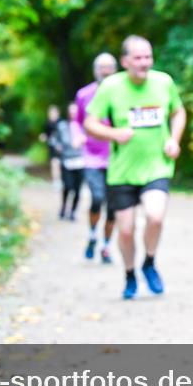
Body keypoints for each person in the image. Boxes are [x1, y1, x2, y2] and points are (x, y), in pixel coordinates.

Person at [83, 35, 186, 300]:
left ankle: (149, 262)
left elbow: (178, 112)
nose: (144, 63)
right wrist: (114, 134)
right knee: (126, 230)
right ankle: (129, 274)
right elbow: (90, 124)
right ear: (125, 61)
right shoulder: (110, 86)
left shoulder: (164, 82)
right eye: (138, 58)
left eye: (148, 57)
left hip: (156, 167)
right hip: (122, 172)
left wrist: (174, 140)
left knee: (156, 216)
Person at [75, 53, 120, 263]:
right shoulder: (84, 94)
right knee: (97, 198)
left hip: (118, 159)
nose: (106, 71)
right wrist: (77, 137)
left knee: (113, 208)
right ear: (95, 70)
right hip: (92, 157)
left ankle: (106, 246)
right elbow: (77, 121)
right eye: (102, 67)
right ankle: (93, 233)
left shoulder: (123, 93)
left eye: (109, 67)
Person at [53, 103, 85, 221]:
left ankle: (73, 211)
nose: (73, 113)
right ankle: (63, 207)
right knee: (68, 186)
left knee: (77, 189)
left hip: (80, 162)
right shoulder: (62, 126)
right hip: (66, 161)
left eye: (75, 111)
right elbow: (53, 139)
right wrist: (58, 146)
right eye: (71, 111)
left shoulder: (84, 126)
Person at [39, 105, 63, 193]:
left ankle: (60, 180)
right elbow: (46, 135)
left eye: (54, 113)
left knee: (60, 165)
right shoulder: (48, 124)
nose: (52, 115)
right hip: (52, 147)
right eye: (50, 113)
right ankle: (56, 181)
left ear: (58, 113)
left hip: (61, 148)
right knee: (54, 164)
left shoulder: (61, 123)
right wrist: (43, 137)